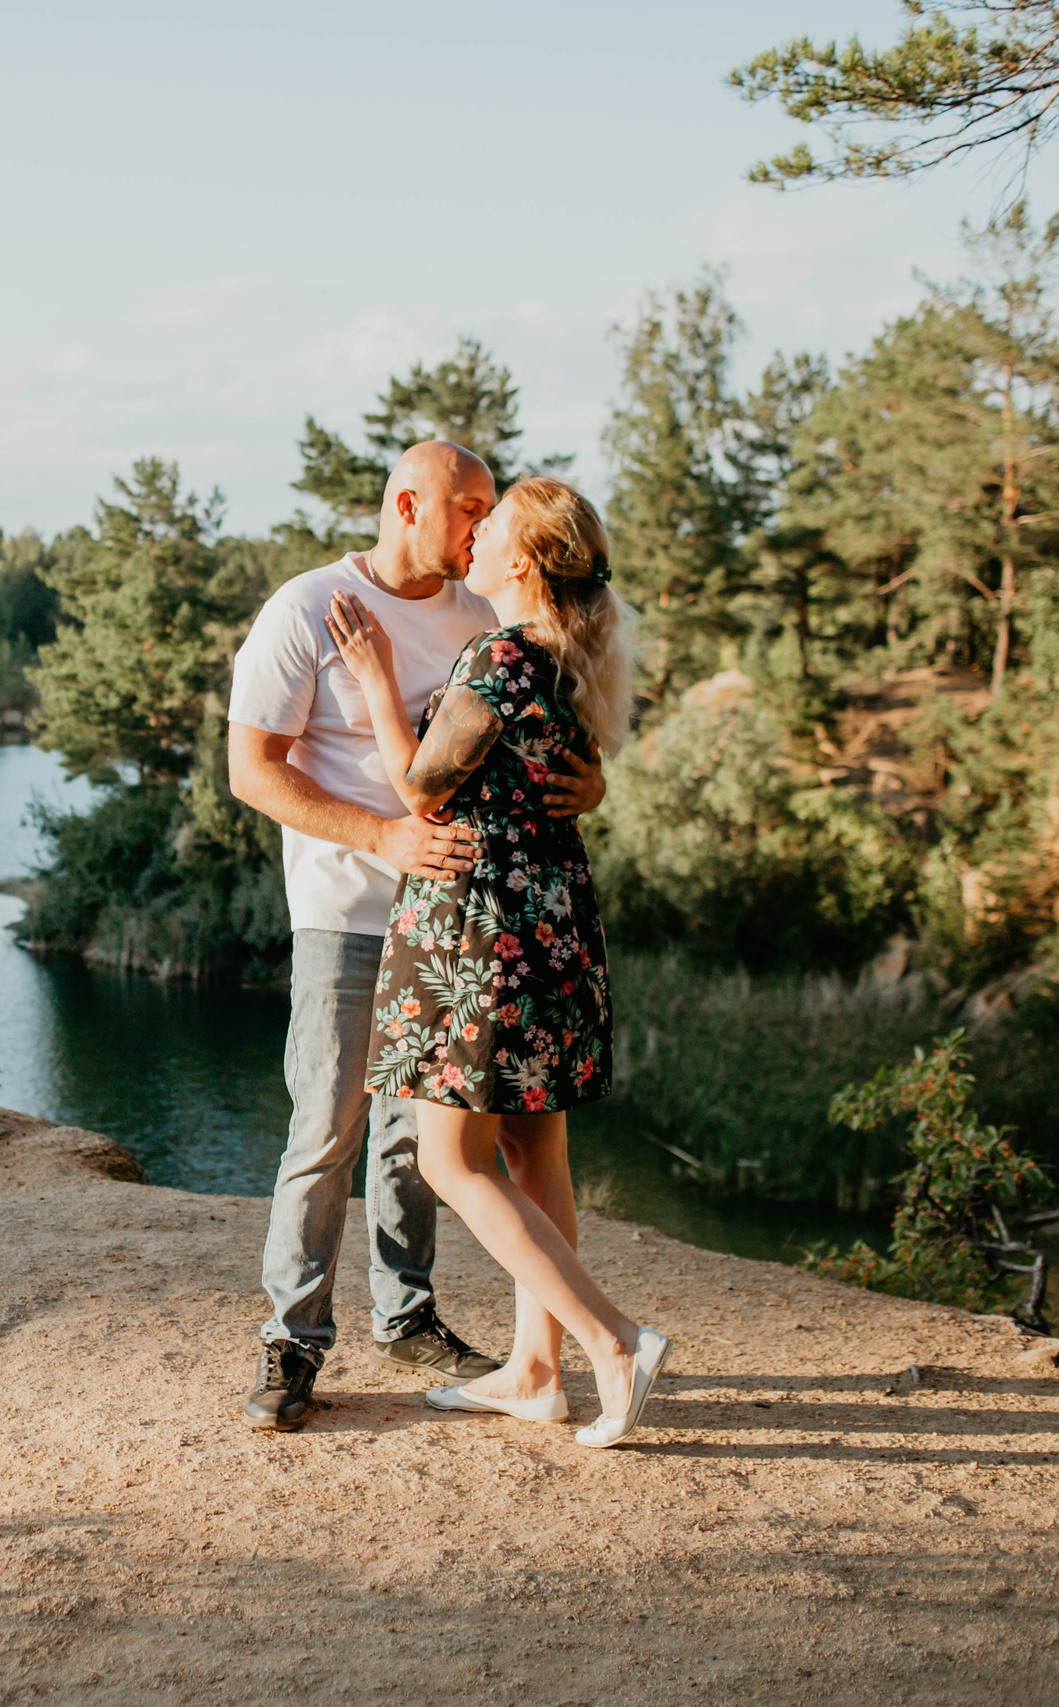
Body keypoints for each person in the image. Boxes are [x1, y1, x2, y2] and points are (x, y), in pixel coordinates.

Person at [226, 441, 604, 1432]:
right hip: (348, 913)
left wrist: (591, 782)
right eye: (466, 505)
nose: (481, 523)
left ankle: (406, 1315)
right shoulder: (309, 608)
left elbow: (537, 725)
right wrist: (381, 837)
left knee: (413, 1141)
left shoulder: (483, 613)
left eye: (489, 508)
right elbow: (251, 771)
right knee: (326, 1130)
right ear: (406, 504)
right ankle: (292, 1339)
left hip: (457, 925)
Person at [324, 474, 669, 1448]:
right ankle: (534, 1371)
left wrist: (373, 675)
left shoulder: (503, 655)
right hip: (551, 925)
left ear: (522, 561)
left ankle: (611, 1341)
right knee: (532, 1148)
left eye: (492, 525)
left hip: (484, 934)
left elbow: (421, 790)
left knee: (448, 1158)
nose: (472, 537)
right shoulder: (567, 658)